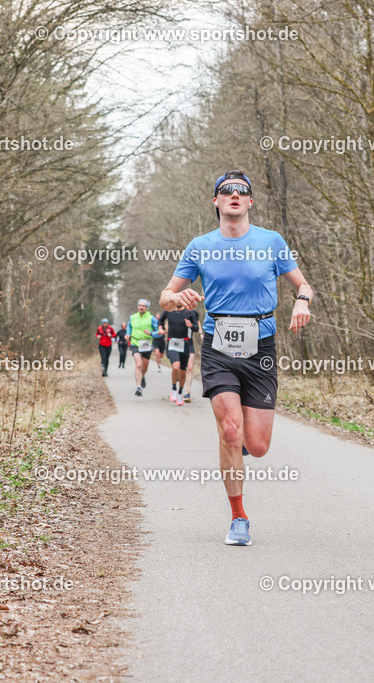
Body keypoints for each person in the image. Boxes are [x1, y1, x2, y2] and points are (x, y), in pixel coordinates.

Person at [160, 170, 313, 546]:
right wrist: (176, 299)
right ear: (216, 201)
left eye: (240, 191)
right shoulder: (199, 246)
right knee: (230, 430)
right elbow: (165, 295)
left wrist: (302, 302)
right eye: (226, 191)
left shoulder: (271, 242)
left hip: (260, 346)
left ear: (249, 202)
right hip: (218, 345)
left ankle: (239, 445)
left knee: (257, 446)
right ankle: (239, 518)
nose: (233, 195)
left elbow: (303, 284)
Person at [159, 305, 200, 406]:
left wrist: (190, 325)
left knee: (182, 371)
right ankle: (173, 389)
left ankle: (180, 393)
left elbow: (196, 328)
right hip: (172, 344)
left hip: (184, 345)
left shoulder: (189, 313)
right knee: (175, 366)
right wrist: (161, 328)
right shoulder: (168, 311)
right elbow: (160, 320)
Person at [125, 299, 158, 396]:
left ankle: (142, 376)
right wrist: (127, 334)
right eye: (140, 305)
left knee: (145, 366)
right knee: (139, 365)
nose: (141, 307)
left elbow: (159, 332)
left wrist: (152, 333)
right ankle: (138, 387)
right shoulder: (132, 317)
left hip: (147, 344)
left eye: (143, 306)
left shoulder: (152, 319)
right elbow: (129, 327)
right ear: (137, 306)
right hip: (135, 342)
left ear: (147, 308)